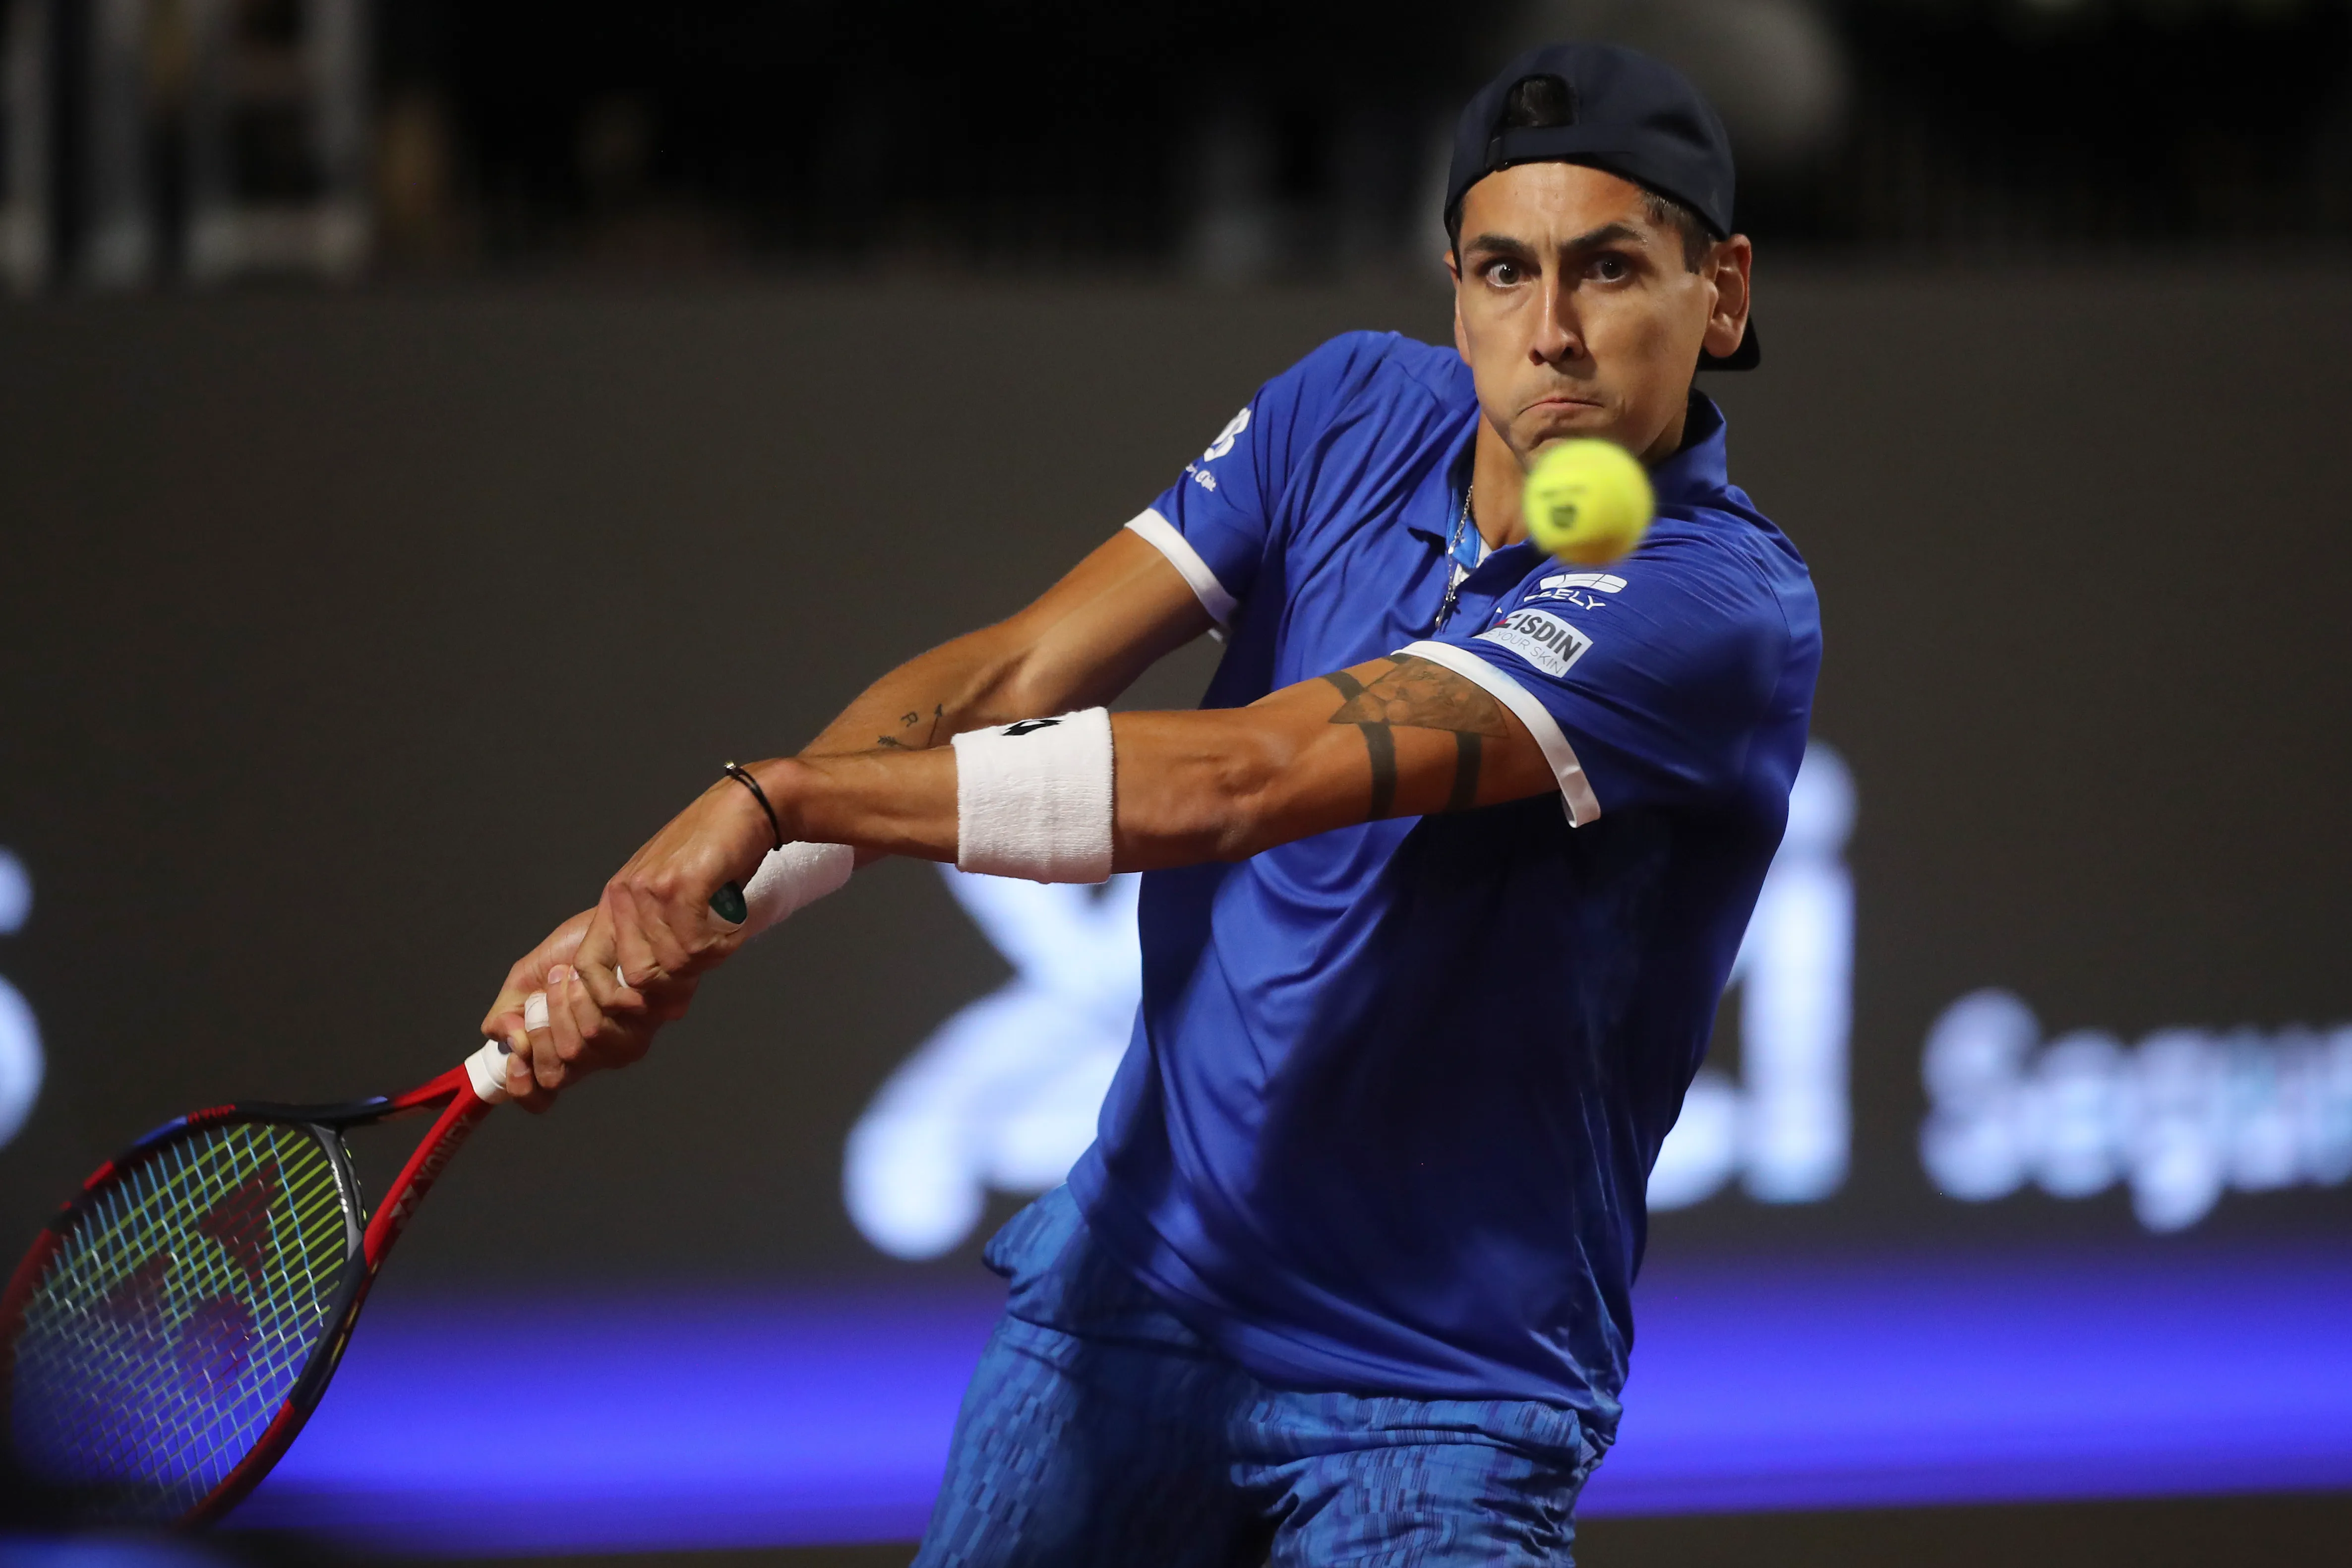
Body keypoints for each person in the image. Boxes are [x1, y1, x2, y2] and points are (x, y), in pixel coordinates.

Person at [482, 43, 1816, 1568]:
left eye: (1611, 271)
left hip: (1435, 1405)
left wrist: (772, 795)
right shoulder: (1347, 409)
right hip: (1127, 1306)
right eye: (1503, 273)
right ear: (1453, 289)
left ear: (1719, 293)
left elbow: (1247, 781)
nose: (1553, 335)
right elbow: (1018, 670)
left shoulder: (1716, 604)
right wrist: (704, 901)